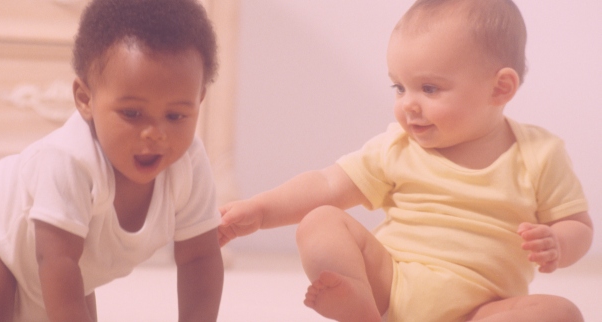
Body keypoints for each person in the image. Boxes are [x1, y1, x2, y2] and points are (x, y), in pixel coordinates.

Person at [218, 0, 593, 321]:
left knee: (561, 313)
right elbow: (327, 185)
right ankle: (361, 308)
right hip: (390, 285)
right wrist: (260, 211)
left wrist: (558, 243)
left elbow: (578, 226)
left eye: (429, 88)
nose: (407, 104)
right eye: (399, 86)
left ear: (500, 87)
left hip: (484, 309)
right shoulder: (396, 148)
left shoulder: (540, 154)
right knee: (319, 221)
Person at [0, 0, 224, 321]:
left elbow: (200, 258)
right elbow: (57, 261)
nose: (155, 133)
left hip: (58, 260)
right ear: (84, 99)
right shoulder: (70, 159)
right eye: (132, 113)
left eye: (176, 115)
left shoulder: (189, 164)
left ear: (199, 100)